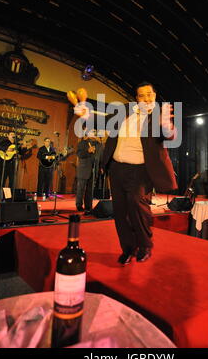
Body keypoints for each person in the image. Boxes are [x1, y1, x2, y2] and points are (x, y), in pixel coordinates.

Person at [101, 82, 177, 264]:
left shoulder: (159, 116)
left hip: (140, 169)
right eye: (142, 95)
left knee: (136, 205)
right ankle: (128, 248)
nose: (147, 98)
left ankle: (144, 245)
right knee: (120, 211)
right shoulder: (124, 111)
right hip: (117, 167)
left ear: (155, 95)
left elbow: (169, 134)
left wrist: (167, 126)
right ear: (136, 98)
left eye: (149, 94)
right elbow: (104, 122)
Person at [75, 129, 100, 215]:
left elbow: (100, 156)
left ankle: (88, 206)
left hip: (93, 170)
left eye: (95, 132)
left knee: (90, 190)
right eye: (92, 132)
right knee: (80, 189)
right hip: (83, 169)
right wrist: (87, 151)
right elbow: (79, 154)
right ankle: (79, 205)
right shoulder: (83, 143)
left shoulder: (98, 145)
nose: (94, 133)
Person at [0, 131, 27, 196]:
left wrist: (25, 147)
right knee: (2, 179)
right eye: (11, 134)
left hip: (13, 164)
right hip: (5, 163)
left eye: (14, 134)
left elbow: (21, 153)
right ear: (8, 136)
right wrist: (7, 149)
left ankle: (10, 195)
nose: (13, 135)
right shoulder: (4, 142)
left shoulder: (17, 144)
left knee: (12, 180)